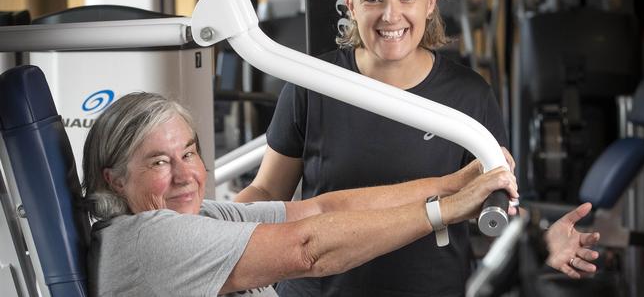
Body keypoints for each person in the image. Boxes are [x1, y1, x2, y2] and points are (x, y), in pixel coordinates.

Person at [234, 0, 598, 296]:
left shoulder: (469, 95)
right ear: (350, 5)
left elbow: (497, 203)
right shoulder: (311, 84)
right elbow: (267, 189)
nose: (391, 15)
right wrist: (211, 234)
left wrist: (541, 243)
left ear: (431, 0)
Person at [83, 92, 520, 297]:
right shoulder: (147, 239)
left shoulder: (198, 219)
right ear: (116, 179)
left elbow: (320, 208)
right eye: (159, 162)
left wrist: (454, 184)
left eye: (189, 153)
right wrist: (444, 211)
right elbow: (307, 250)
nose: (185, 175)